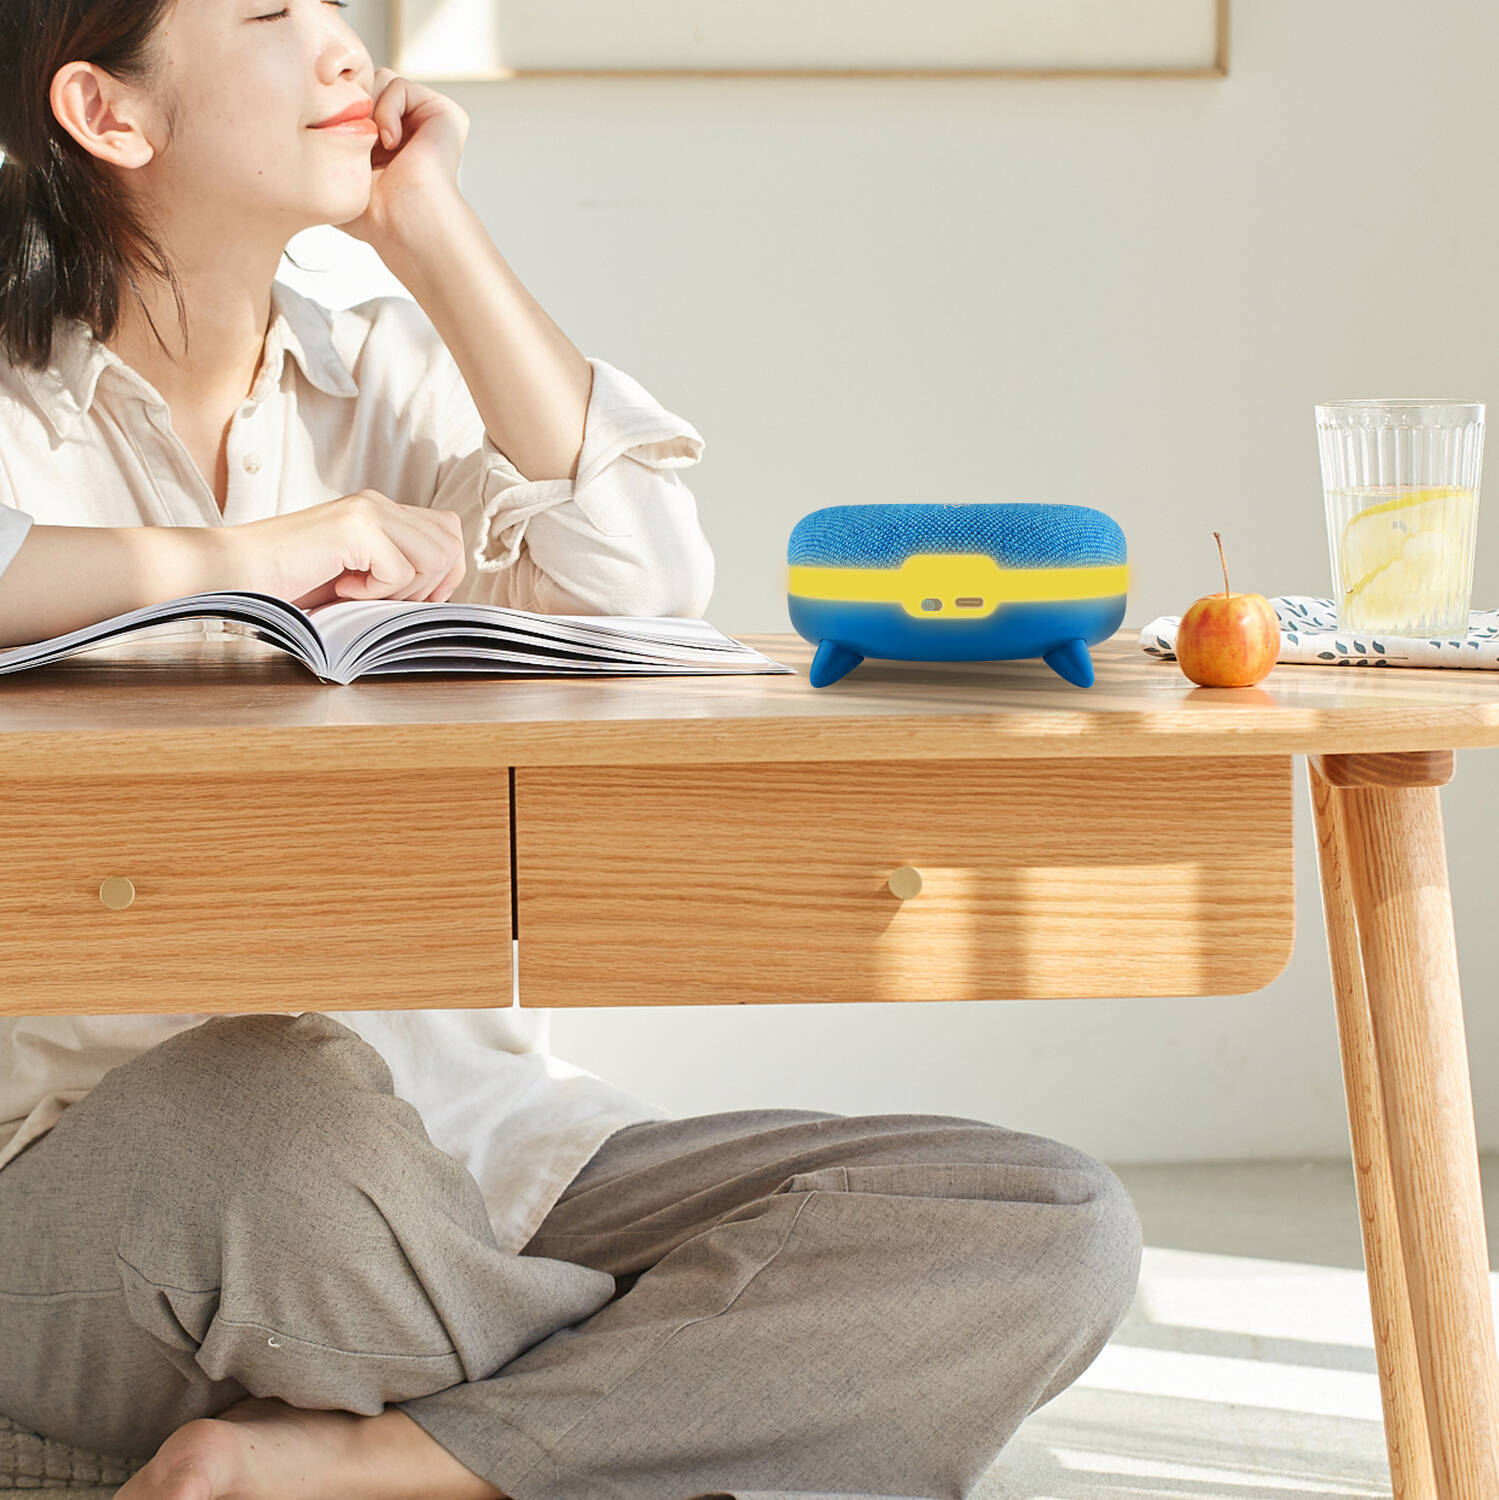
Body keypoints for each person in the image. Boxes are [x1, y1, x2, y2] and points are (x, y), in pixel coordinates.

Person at [0, 3, 1145, 1498]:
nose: (343, 45)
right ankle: (676, 1410)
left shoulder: (382, 375)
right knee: (274, 1104)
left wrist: (437, 234)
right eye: (275, 13)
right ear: (109, 111)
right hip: (113, 1184)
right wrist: (263, 551)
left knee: (1045, 1223)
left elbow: (639, 577)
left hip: (483, 1149)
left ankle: (372, 1467)